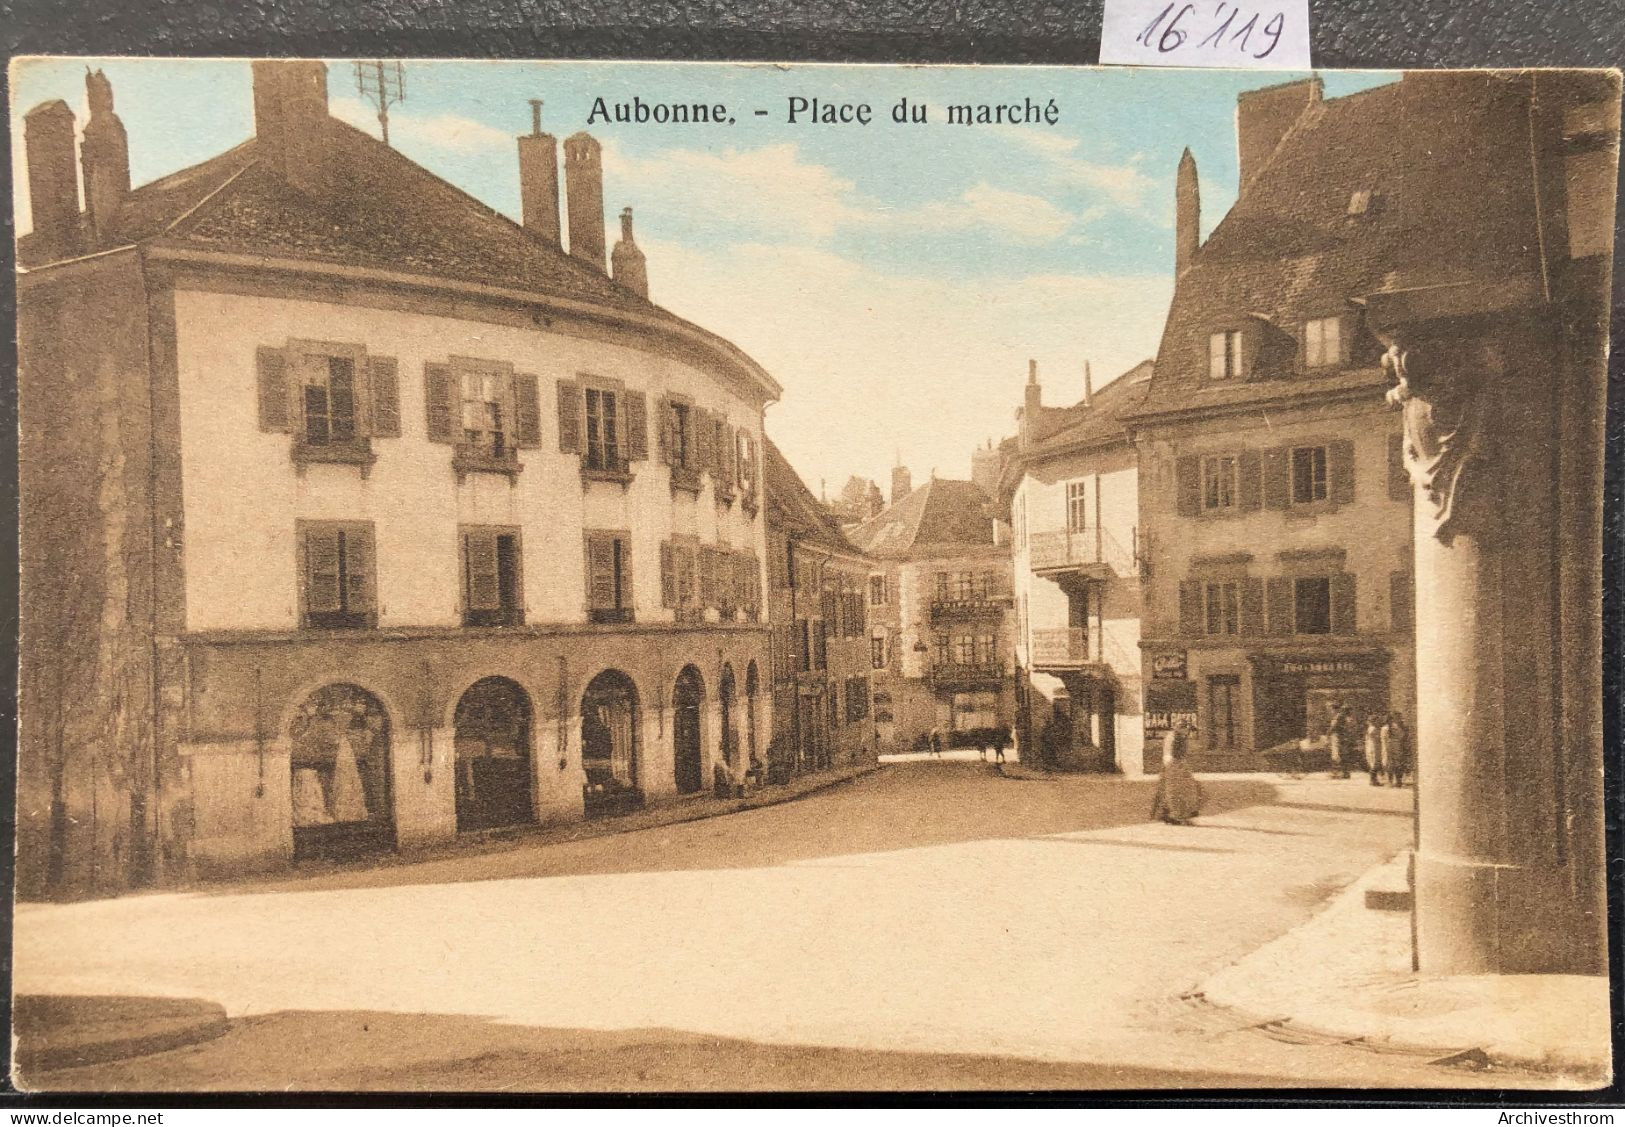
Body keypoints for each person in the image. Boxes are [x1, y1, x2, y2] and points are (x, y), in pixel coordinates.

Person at [1151, 725, 1204, 825]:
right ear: (1181, 728)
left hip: (1174, 765)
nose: (1187, 733)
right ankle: (1176, 815)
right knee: (1176, 791)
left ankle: (1171, 814)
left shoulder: (1175, 736)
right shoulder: (1175, 737)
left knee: (1176, 791)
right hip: (1174, 765)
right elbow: (1172, 753)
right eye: (1186, 730)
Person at [1383, 713, 1411, 788]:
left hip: (1394, 747)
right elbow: (1401, 736)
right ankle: (1394, 781)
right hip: (1393, 747)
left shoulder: (1397, 727)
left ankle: (1396, 781)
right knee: (1394, 764)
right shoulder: (1391, 728)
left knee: (1395, 764)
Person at [1327, 702, 1353, 779]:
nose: (1330, 711)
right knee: (1339, 754)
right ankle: (1343, 773)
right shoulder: (1338, 716)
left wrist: (1328, 733)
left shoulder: (1339, 716)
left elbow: (1334, 727)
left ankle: (1342, 773)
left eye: (1331, 709)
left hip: (1339, 736)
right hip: (1338, 736)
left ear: (1335, 709)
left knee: (1339, 754)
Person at [1365, 714, 1385, 786]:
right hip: (1374, 747)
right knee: (1374, 764)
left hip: (1373, 747)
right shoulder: (1373, 728)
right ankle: (1373, 780)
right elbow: (1377, 738)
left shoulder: (1371, 728)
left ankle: (1374, 780)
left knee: (1374, 763)